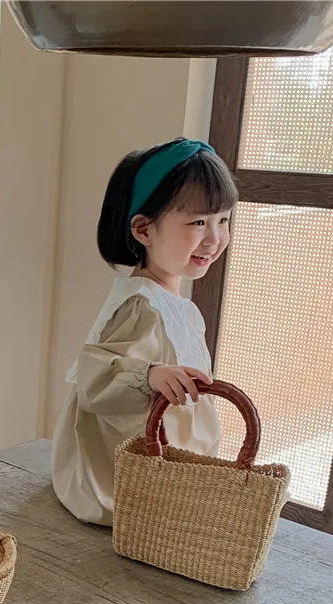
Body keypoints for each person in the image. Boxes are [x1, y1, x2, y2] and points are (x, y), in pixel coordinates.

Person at [51, 138, 238, 525]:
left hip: (162, 460)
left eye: (223, 220)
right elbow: (95, 376)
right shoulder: (142, 305)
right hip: (122, 477)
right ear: (143, 230)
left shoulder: (171, 303)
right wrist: (149, 374)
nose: (214, 238)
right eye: (198, 222)